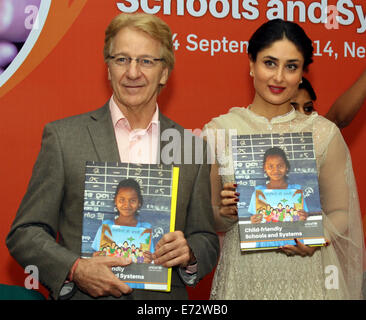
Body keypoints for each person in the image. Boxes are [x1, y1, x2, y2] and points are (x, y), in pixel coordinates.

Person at [6, 13, 219, 300]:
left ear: (165, 72)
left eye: (146, 61)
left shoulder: (190, 147)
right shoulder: (64, 139)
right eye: (121, 59)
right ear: (108, 68)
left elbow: (205, 237)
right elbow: (25, 233)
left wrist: (190, 252)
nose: (132, 73)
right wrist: (75, 268)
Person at [203, 19, 364, 299]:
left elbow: (341, 211)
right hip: (244, 278)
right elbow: (210, 217)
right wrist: (227, 214)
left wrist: (317, 236)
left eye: (291, 66)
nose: (279, 77)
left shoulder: (323, 133)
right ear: (251, 64)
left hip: (308, 276)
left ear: (302, 73)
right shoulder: (218, 132)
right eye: (269, 63)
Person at [291, 69, 366, 128]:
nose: (302, 114)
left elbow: (337, 119)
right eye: (292, 109)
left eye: (308, 109)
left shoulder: (317, 136)